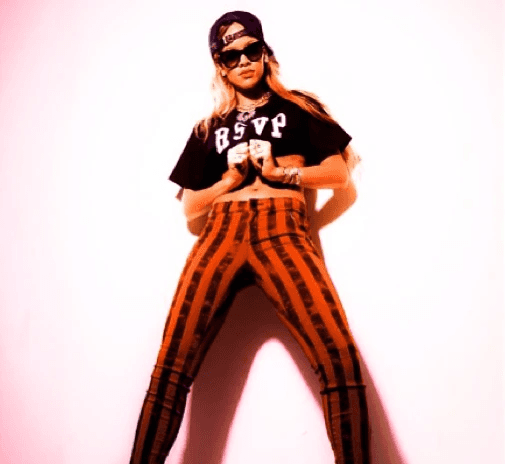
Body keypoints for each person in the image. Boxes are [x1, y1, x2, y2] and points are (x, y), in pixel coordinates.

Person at [129, 11, 370, 464]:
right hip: (221, 232)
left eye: (250, 50)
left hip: (283, 230)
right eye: (230, 56)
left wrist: (281, 173)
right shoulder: (208, 127)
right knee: (170, 367)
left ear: (264, 53)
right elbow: (191, 206)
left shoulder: (299, 107)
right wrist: (229, 180)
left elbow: (339, 174)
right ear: (220, 67)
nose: (242, 61)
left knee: (339, 357)